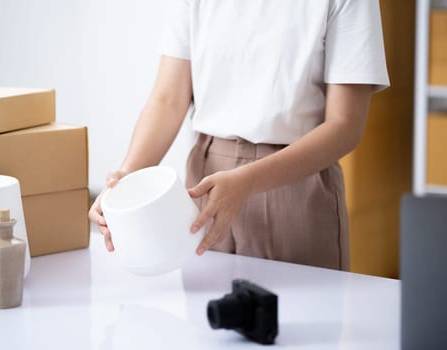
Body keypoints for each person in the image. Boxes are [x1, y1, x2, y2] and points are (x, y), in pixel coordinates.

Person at [88, 0, 389, 271]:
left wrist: (247, 182)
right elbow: (168, 100)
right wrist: (126, 177)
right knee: (204, 323)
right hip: (206, 182)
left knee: (300, 320)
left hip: (297, 183)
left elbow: (345, 124)